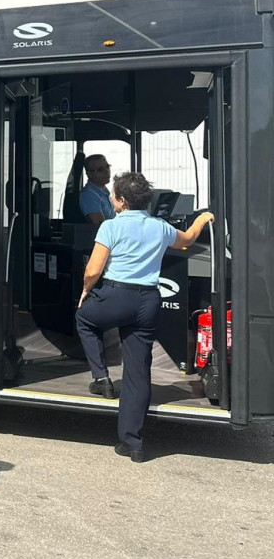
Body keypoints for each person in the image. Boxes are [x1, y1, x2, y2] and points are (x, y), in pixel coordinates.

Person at [76, 171, 214, 463]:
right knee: (138, 372)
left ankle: (100, 377)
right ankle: (133, 443)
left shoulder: (110, 228)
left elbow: (93, 270)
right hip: (148, 301)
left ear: (122, 201)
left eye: (113, 195)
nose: (111, 198)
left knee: (84, 320)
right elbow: (187, 240)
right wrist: (202, 219)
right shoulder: (160, 227)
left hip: (116, 296)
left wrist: (86, 291)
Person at [79, 154, 115, 226]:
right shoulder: (89, 196)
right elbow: (101, 227)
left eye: (107, 167)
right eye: (100, 169)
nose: (107, 171)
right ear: (89, 174)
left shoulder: (104, 192)